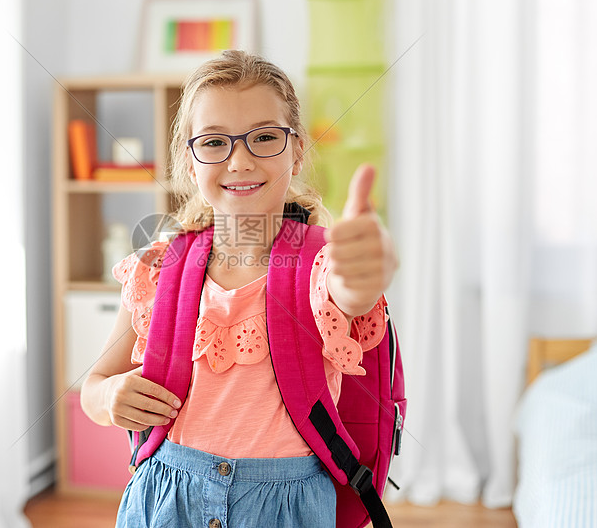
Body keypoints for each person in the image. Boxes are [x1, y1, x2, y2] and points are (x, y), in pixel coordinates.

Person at [80, 50, 398, 528]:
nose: (240, 160)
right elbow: (93, 386)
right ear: (190, 162)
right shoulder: (159, 268)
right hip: (166, 499)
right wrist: (109, 399)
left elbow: (350, 292)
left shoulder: (322, 266)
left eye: (265, 137)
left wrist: (364, 272)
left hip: (287, 509)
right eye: (214, 143)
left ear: (297, 150)